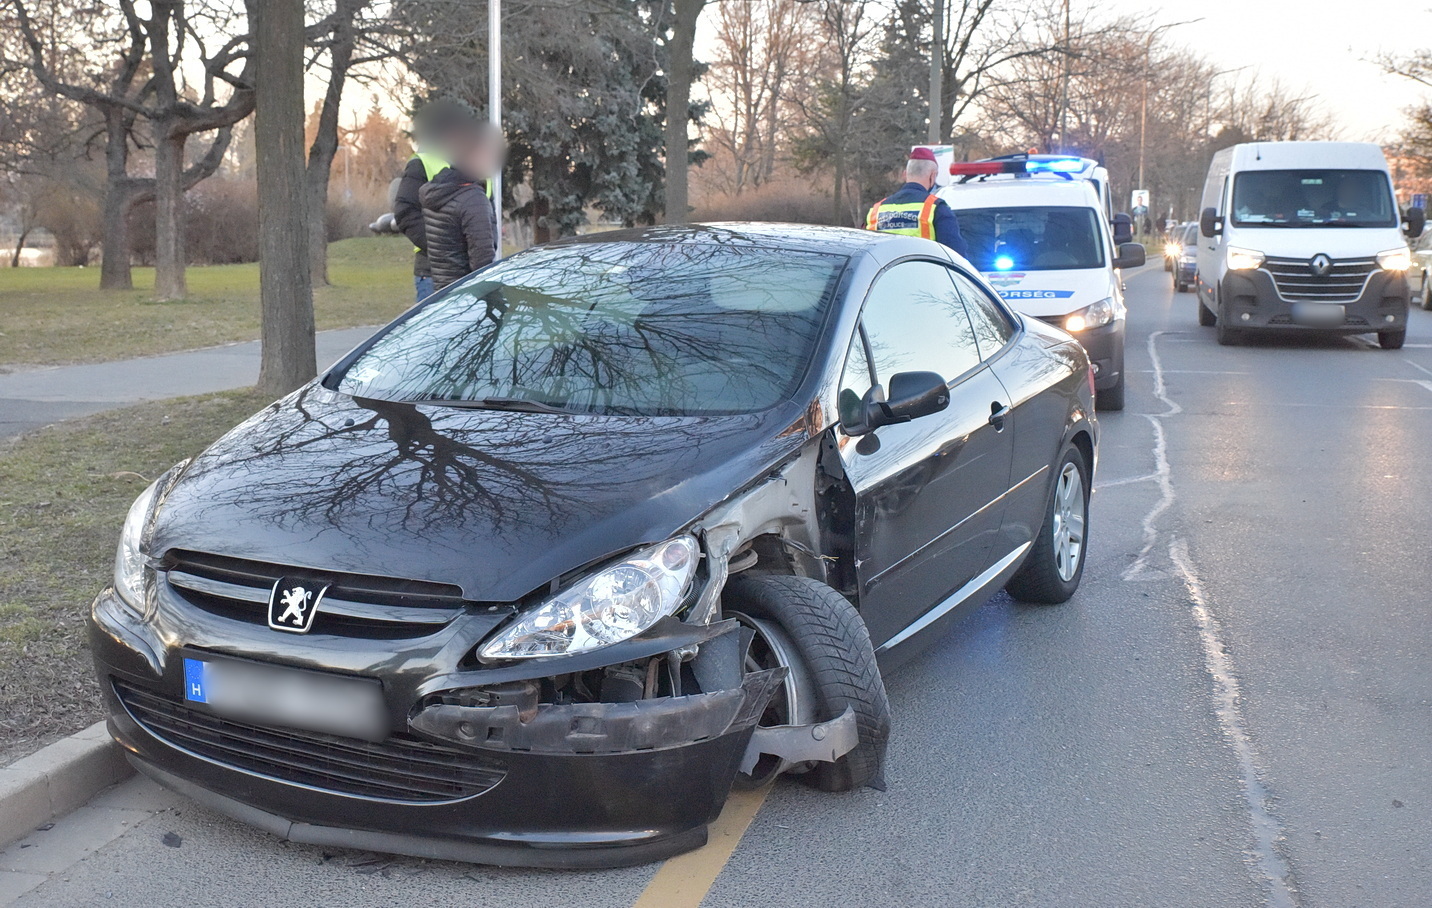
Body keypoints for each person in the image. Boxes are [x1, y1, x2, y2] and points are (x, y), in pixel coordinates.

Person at [393, 99, 472, 302]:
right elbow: (406, 213)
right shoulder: (423, 162)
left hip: (471, 271)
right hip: (433, 270)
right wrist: (442, 247)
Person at [420, 121, 504, 292]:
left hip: (442, 293)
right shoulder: (473, 199)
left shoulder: (438, 190)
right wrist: (495, 302)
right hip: (467, 298)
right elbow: (483, 262)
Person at [865, 147, 967, 256]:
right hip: (924, 272)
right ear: (933, 175)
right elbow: (955, 257)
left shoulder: (876, 210)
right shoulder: (937, 209)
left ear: (905, 174)